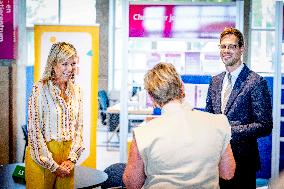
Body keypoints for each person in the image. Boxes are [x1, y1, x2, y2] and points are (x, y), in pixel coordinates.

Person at [123, 62, 236, 189]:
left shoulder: (142, 134)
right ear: (182, 87)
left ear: (152, 98)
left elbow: (132, 184)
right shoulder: (219, 123)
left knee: (116, 170)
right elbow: (228, 173)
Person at [205, 27, 273, 189]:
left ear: (242, 49)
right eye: (223, 46)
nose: (226, 50)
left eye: (232, 46)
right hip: (215, 160)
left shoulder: (256, 82)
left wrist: (228, 130)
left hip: (242, 162)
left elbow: (265, 125)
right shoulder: (215, 81)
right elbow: (209, 116)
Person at [25, 42, 85, 189]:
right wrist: (52, 165)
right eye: (64, 64)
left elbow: (79, 128)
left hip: (67, 160)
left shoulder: (76, 91)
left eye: (73, 64)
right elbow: (34, 132)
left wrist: (72, 159)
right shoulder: (39, 89)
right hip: (41, 159)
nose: (70, 69)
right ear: (53, 64)